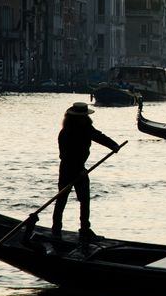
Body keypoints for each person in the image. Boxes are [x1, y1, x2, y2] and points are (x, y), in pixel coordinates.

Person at [40, 102, 120, 243]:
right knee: (62, 199)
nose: (85, 119)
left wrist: (113, 145)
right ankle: (56, 230)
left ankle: (84, 229)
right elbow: (65, 155)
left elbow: (99, 136)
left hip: (80, 169)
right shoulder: (65, 133)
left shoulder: (86, 129)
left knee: (84, 199)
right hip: (67, 169)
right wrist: (78, 171)